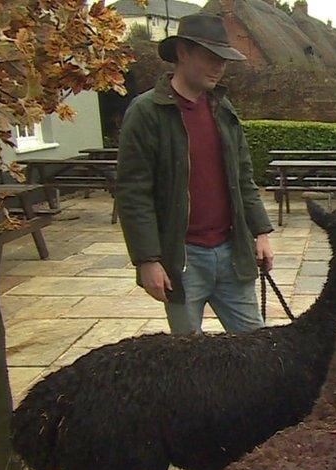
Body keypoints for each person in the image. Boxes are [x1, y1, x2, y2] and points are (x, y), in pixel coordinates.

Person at [116, 14, 274, 335]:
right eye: (210, 57)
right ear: (183, 53)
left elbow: (243, 178)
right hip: (183, 260)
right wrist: (147, 259)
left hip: (232, 253)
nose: (219, 67)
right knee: (188, 364)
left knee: (258, 351)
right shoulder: (147, 113)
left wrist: (261, 231)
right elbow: (134, 193)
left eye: (223, 60)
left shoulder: (223, 110)